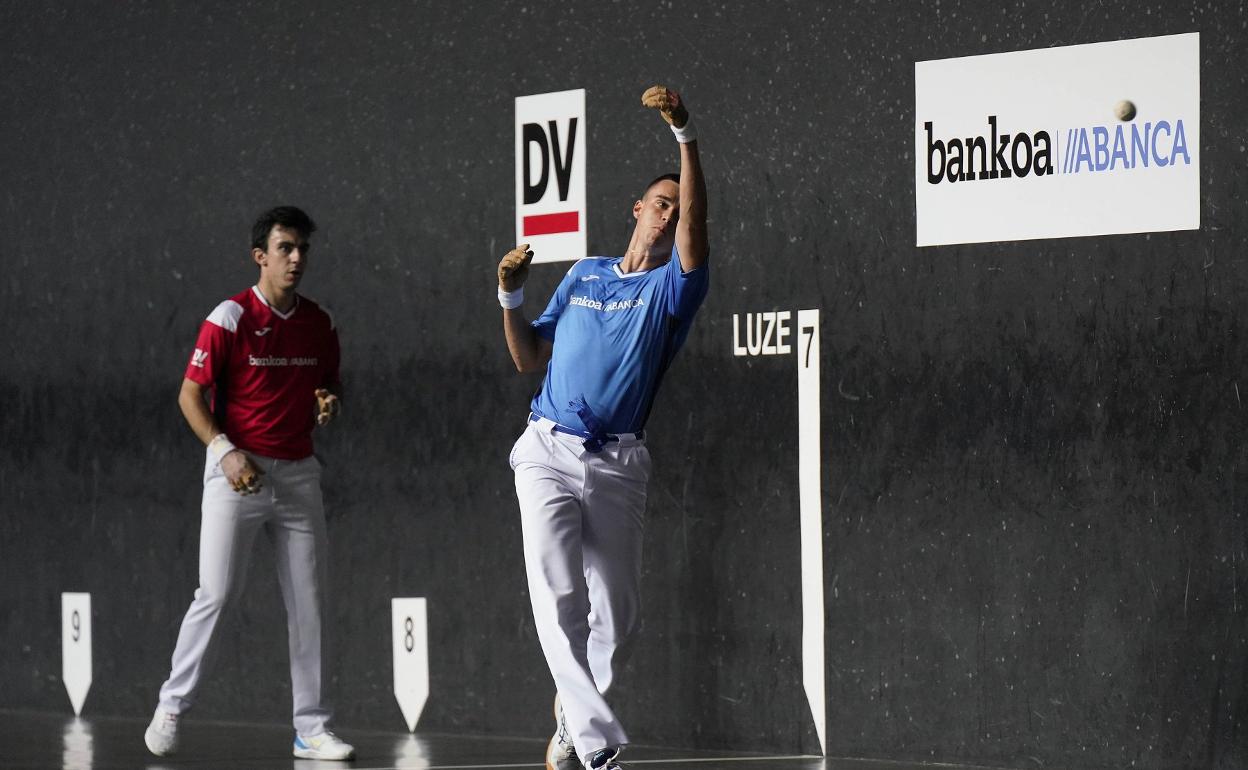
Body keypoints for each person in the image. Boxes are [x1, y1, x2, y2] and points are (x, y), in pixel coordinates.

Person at [497, 85, 709, 770]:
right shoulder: (584, 273)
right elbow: (529, 356)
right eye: (663, 202)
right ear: (638, 210)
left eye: (679, 210)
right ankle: (597, 743)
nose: (671, 214)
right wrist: (509, 297)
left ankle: (570, 721)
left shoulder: (672, 292)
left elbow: (696, 235)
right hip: (546, 451)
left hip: (618, 464)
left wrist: (686, 135)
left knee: (616, 616)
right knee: (557, 594)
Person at [144, 206, 355, 761]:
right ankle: (171, 706)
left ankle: (312, 728)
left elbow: (327, 382)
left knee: (311, 604)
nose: (296, 259)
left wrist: (327, 400)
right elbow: (190, 396)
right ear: (260, 255)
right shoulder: (229, 318)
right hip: (236, 473)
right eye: (285, 248)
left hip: (299, 476)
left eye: (303, 249)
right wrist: (225, 451)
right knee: (216, 595)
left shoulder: (320, 322)